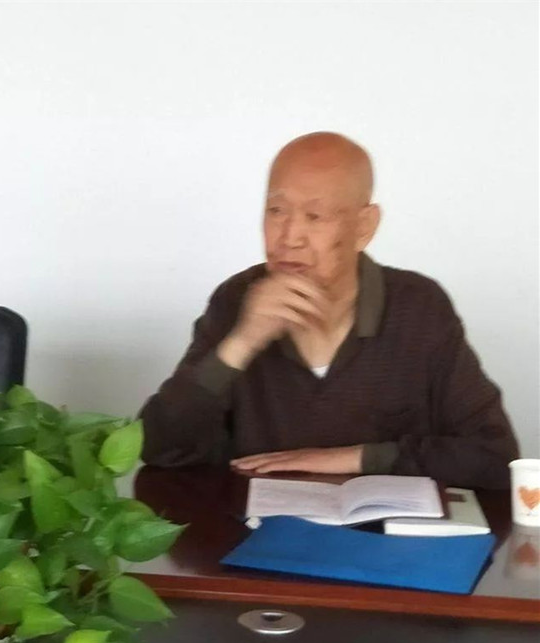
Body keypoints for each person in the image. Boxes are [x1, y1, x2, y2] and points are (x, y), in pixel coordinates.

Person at [140, 132, 518, 489]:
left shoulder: (419, 307)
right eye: (276, 211)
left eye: (315, 216)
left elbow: (494, 457)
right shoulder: (236, 300)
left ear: (364, 227)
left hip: (385, 534)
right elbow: (160, 448)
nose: (289, 237)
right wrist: (240, 344)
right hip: (260, 530)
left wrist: (355, 458)